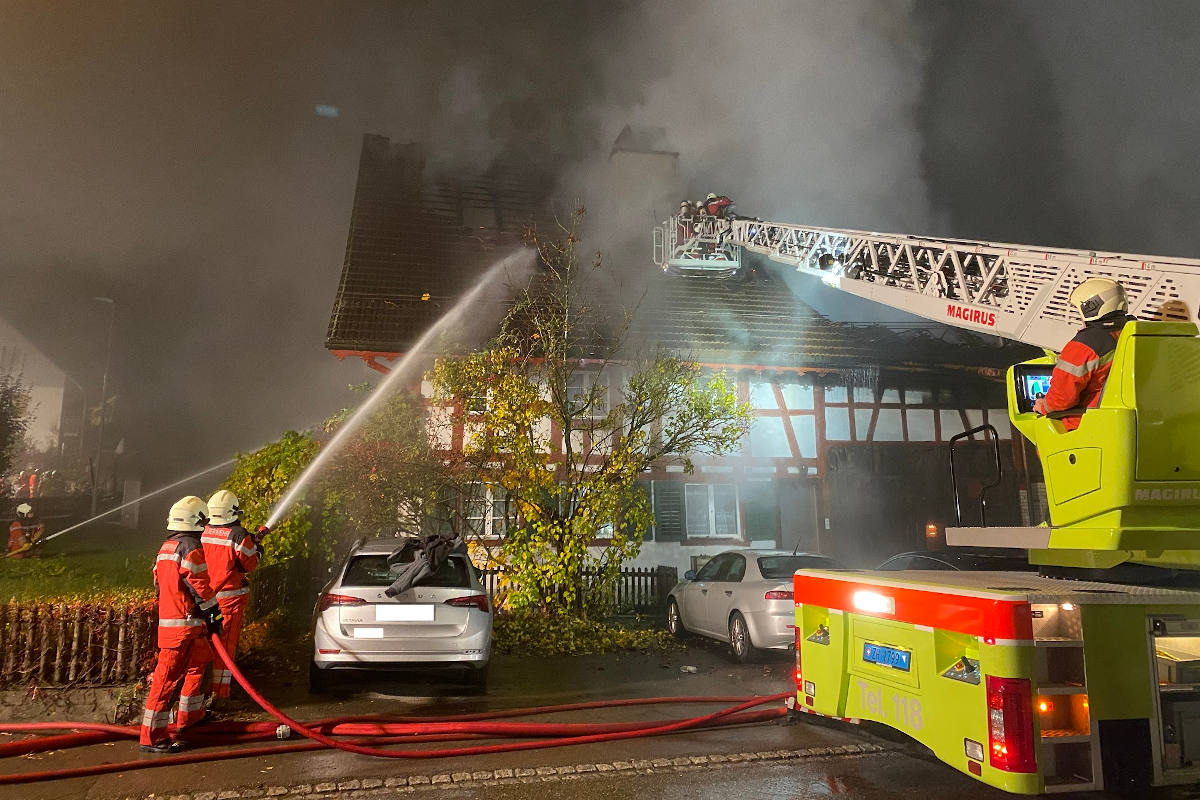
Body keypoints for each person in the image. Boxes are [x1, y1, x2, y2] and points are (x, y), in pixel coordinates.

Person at [139, 496, 223, 754]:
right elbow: (199, 585)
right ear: (196, 521)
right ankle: (152, 737)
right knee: (165, 681)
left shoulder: (167, 547)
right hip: (183, 628)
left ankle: (190, 716)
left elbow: (158, 584)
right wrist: (214, 613)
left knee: (199, 661)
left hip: (180, 626)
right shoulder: (190, 548)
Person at [1034, 278, 1135, 431]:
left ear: (1091, 308)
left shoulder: (1084, 345)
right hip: (1136, 421)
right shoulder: (1136, 333)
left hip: (1089, 426)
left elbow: (1061, 399)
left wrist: (1043, 406)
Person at [200, 490, 268, 702]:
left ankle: (200, 690)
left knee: (203, 644)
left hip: (206, 600)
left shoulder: (203, 531)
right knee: (225, 646)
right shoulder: (238, 535)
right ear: (233, 512)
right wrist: (258, 548)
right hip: (229, 601)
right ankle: (220, 693)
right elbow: (250, 564)